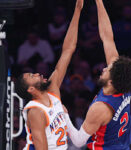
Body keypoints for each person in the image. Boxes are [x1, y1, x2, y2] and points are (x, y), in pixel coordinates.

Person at [64, 0, 131, 149]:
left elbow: (79, 141)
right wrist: (99, 2)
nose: (104, 68)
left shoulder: (100, 108)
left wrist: (64, 114)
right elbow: (107, 37)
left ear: (111, 82)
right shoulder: (123, 84)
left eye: (108, 70)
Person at [15, 0, 83, 149]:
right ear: (31, 89)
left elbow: (68, 50)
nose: (38, 74)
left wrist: (77, 11)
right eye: (33, 76)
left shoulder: (52, 90)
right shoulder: (35, 112)